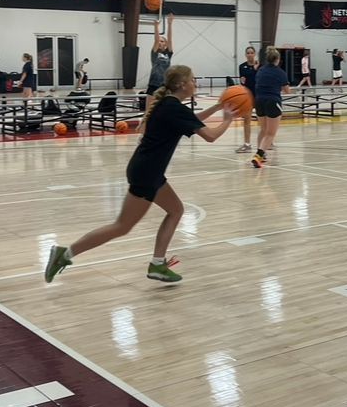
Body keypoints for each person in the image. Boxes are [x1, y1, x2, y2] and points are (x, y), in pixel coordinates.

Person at [44, 65, 235, 285]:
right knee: (122, 226)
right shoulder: (174, 108)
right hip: (147, 172)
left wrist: (218, 106)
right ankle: (64, 254)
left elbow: (192, 119)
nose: (196, 83)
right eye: (193, 79)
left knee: (176, 210)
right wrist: (227, 119)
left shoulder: (169, 104)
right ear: (182, 84)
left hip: (146, 169)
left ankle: (157, 263)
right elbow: (210, 136)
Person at [252, 46, 290, 169]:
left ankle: (261, 154)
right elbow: (287, 91)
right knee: (270, 133)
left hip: (259, 101)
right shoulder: (280, 72)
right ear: (277, 59)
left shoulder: (261, 70)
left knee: (263, 130)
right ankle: (258, 156)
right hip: (272, 101)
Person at [236, 45, 259, 153]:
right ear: (245, 55)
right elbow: (243, 81)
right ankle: (247, 144)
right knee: (247, 120)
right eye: (248, 53)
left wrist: (255, 70)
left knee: (264, 120)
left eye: (251, 52)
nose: (250, 54)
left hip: (259, 95)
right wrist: (252, 71)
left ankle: (268, 142)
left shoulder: (260, 65)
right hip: (247, 96)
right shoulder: (242, 67)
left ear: (255, 54)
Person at [146, 13, 174, 98]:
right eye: (159, 41)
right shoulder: (154, 53)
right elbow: (156, 40)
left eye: (162, 41)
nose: (160, 42)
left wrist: (169, 24)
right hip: (154, 83)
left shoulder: (168, 53)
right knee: (150, 107)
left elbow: (170, 39)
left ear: (165, 44)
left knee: (164, 105)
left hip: (165, 83)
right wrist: (156, 26)